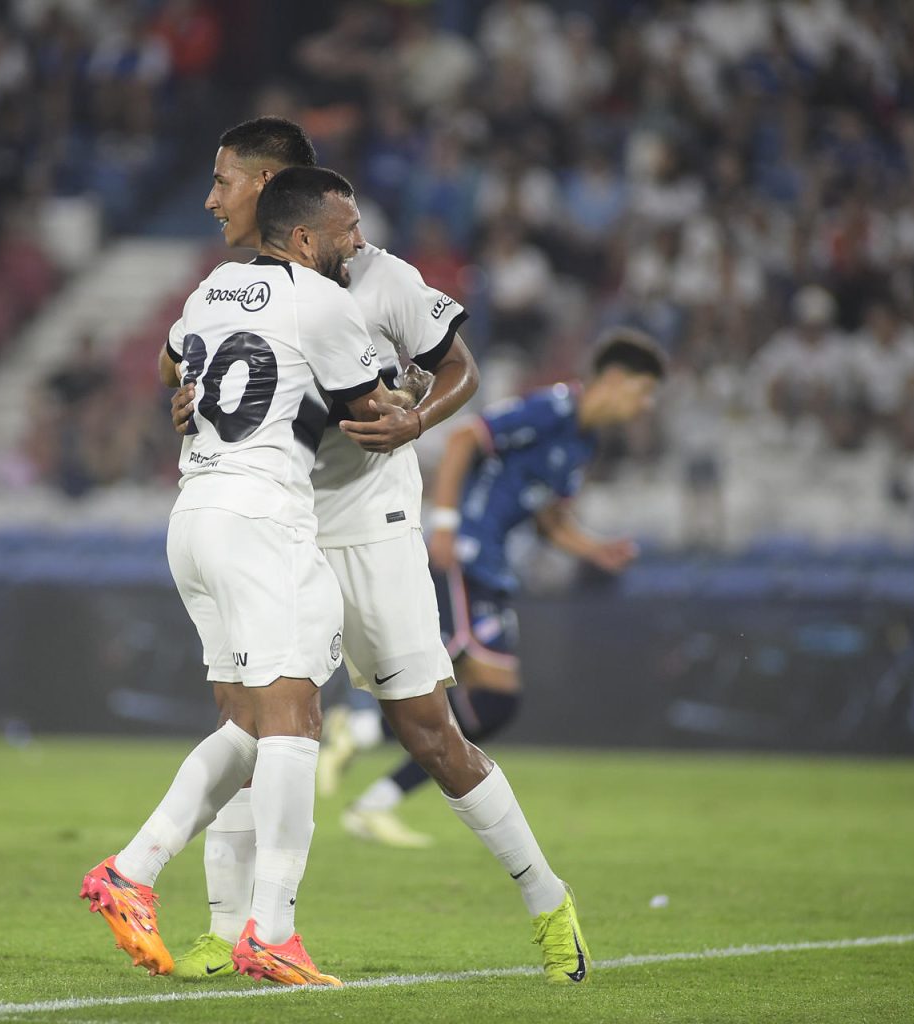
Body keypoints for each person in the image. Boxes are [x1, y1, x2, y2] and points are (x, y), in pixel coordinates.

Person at [166, 116, 591, 985]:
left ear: (274, 188)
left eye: (225, 181)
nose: (212, 198)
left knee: (429, 732)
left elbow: (462, 368)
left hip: (370, 530)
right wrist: (185, 397)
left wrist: (414, 420)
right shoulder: (231, 287)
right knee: (249, 721)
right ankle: (229, 930)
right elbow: (184, 367)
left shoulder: (378, 275)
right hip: (276, 523)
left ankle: (549, 900)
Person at [81, 166, 406, 987]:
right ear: (303, 238)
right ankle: (271, 930)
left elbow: (169, 370)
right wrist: (416, 397)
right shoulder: (324, 302)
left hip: (195, 518)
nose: (354, 246)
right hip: (265, 520)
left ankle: (134, 870)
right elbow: (373, 416)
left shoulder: (210, 289)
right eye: (343, 234)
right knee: (295, 718)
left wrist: (187, 396)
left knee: (260, 726)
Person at [342, 329, 666, 845]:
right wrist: (446, 522)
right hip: (466, 554)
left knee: (489, 704)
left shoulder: (582, 442)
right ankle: (359, 764)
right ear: (615, 380)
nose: (644, 405)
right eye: (643, 390)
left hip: (491, 568)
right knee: (456, 689)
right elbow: (469, 436)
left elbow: (549, 520)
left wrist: (595, 549)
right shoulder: (555, 408)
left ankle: (366, 772)